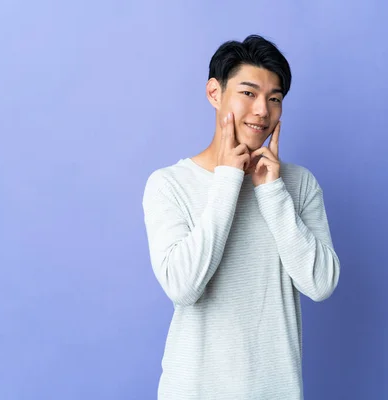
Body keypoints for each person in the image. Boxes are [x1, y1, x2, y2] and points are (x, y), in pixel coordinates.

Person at [142, 34, 341, 400]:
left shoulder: (297, 184)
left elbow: (321, 283)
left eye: (275, 98)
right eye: (248, 93)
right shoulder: (169, 184)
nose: (262, 110)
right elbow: (183, 287)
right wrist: (228, 180)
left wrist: (272, 192)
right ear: (214, 93)